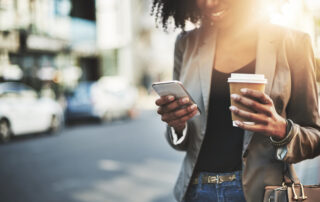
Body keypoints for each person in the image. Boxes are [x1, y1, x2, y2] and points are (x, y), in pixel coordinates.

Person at [152, 0, 320, 201]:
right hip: (196, 192)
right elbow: (183, 143)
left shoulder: (293, 43)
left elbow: (314, 136)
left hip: (263, 193)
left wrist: (281, 129)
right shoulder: (186, 43)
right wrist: (177, 125)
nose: (209, 3)